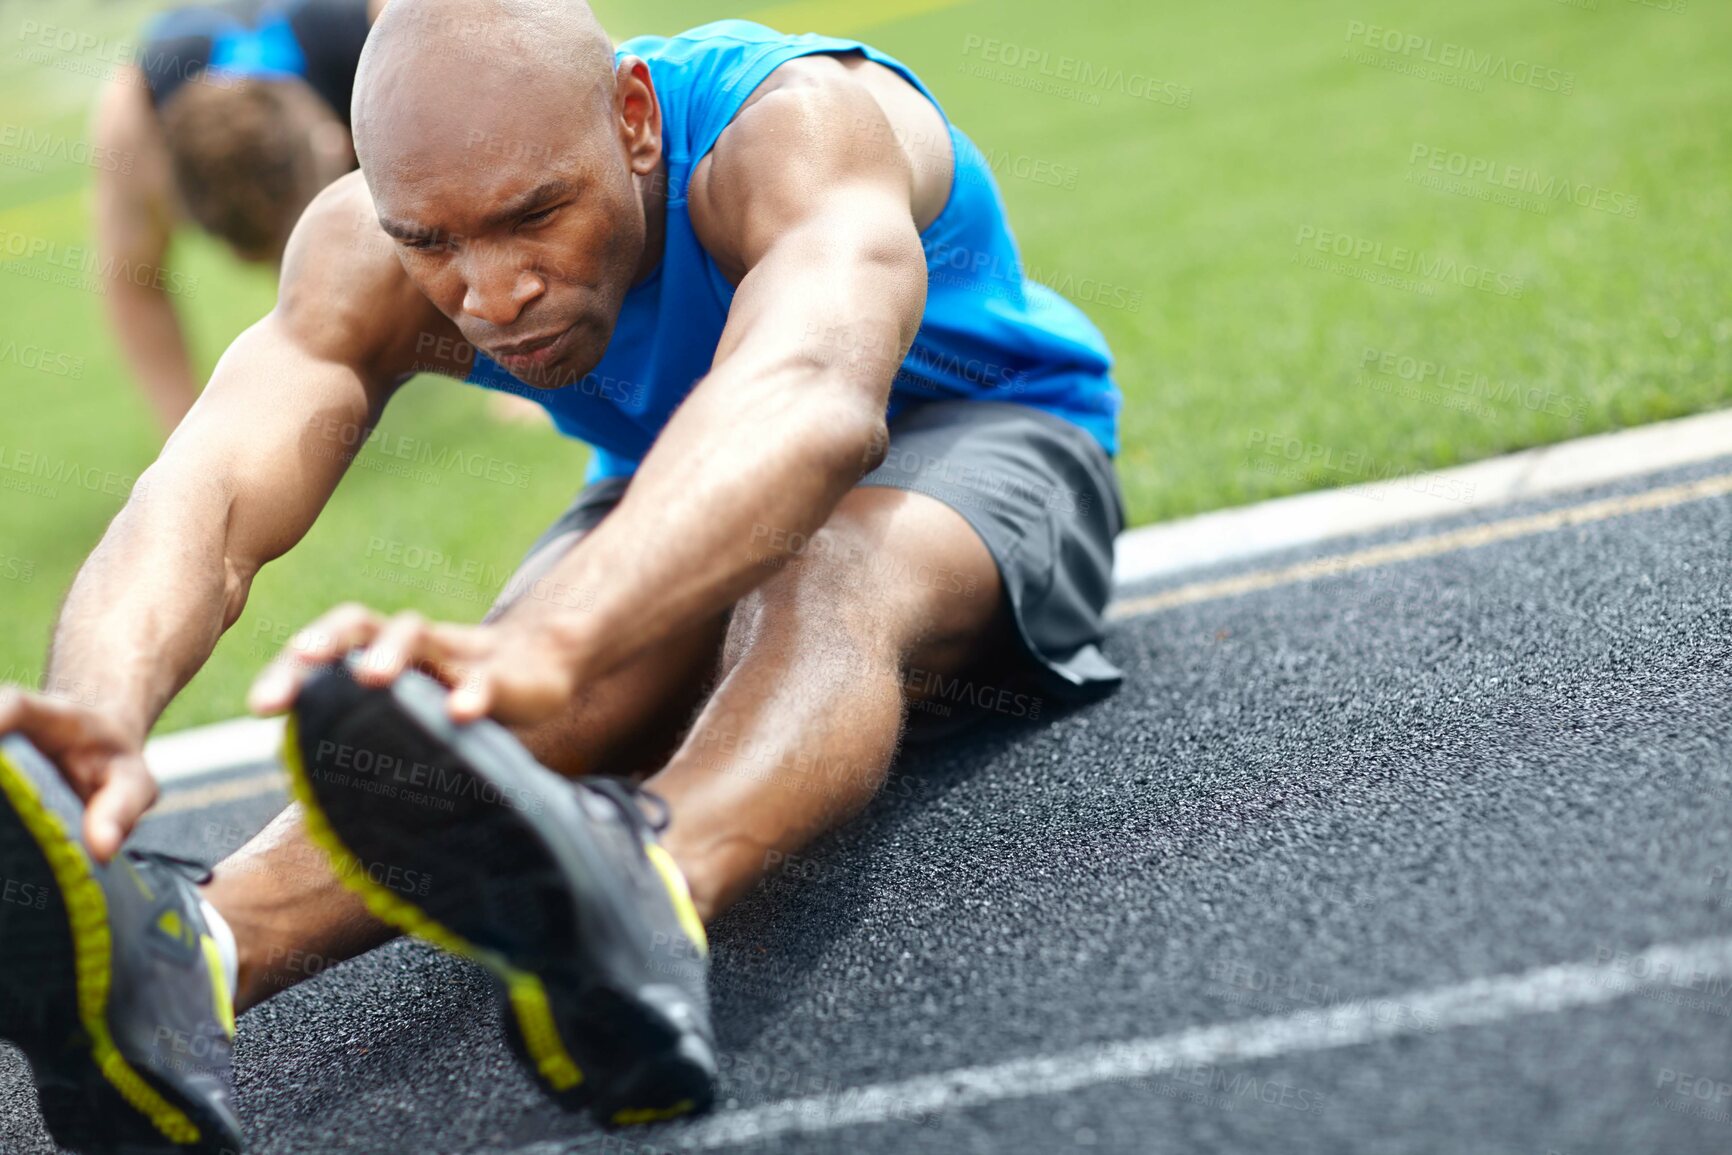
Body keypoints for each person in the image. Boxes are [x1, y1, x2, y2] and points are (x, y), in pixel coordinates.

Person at [0, 1, 1124, 1149]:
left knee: (817, 565)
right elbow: (206, 496)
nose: (488, 295)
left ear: (634, 121)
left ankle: (655, 881)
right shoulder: (364, 247)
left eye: (533, 216)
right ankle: (184, 951)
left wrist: (564, 636)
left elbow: (814, 400)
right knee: (481, 712)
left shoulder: (792, 129)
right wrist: (92, 719)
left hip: (990, 435)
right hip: (676, 470)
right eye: (431, 243)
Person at [92, 0, 381, 432]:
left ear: (339, 145)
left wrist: (519, 375)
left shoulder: (381, 33)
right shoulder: (134, 119)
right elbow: (132, 278)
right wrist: (185, 438)